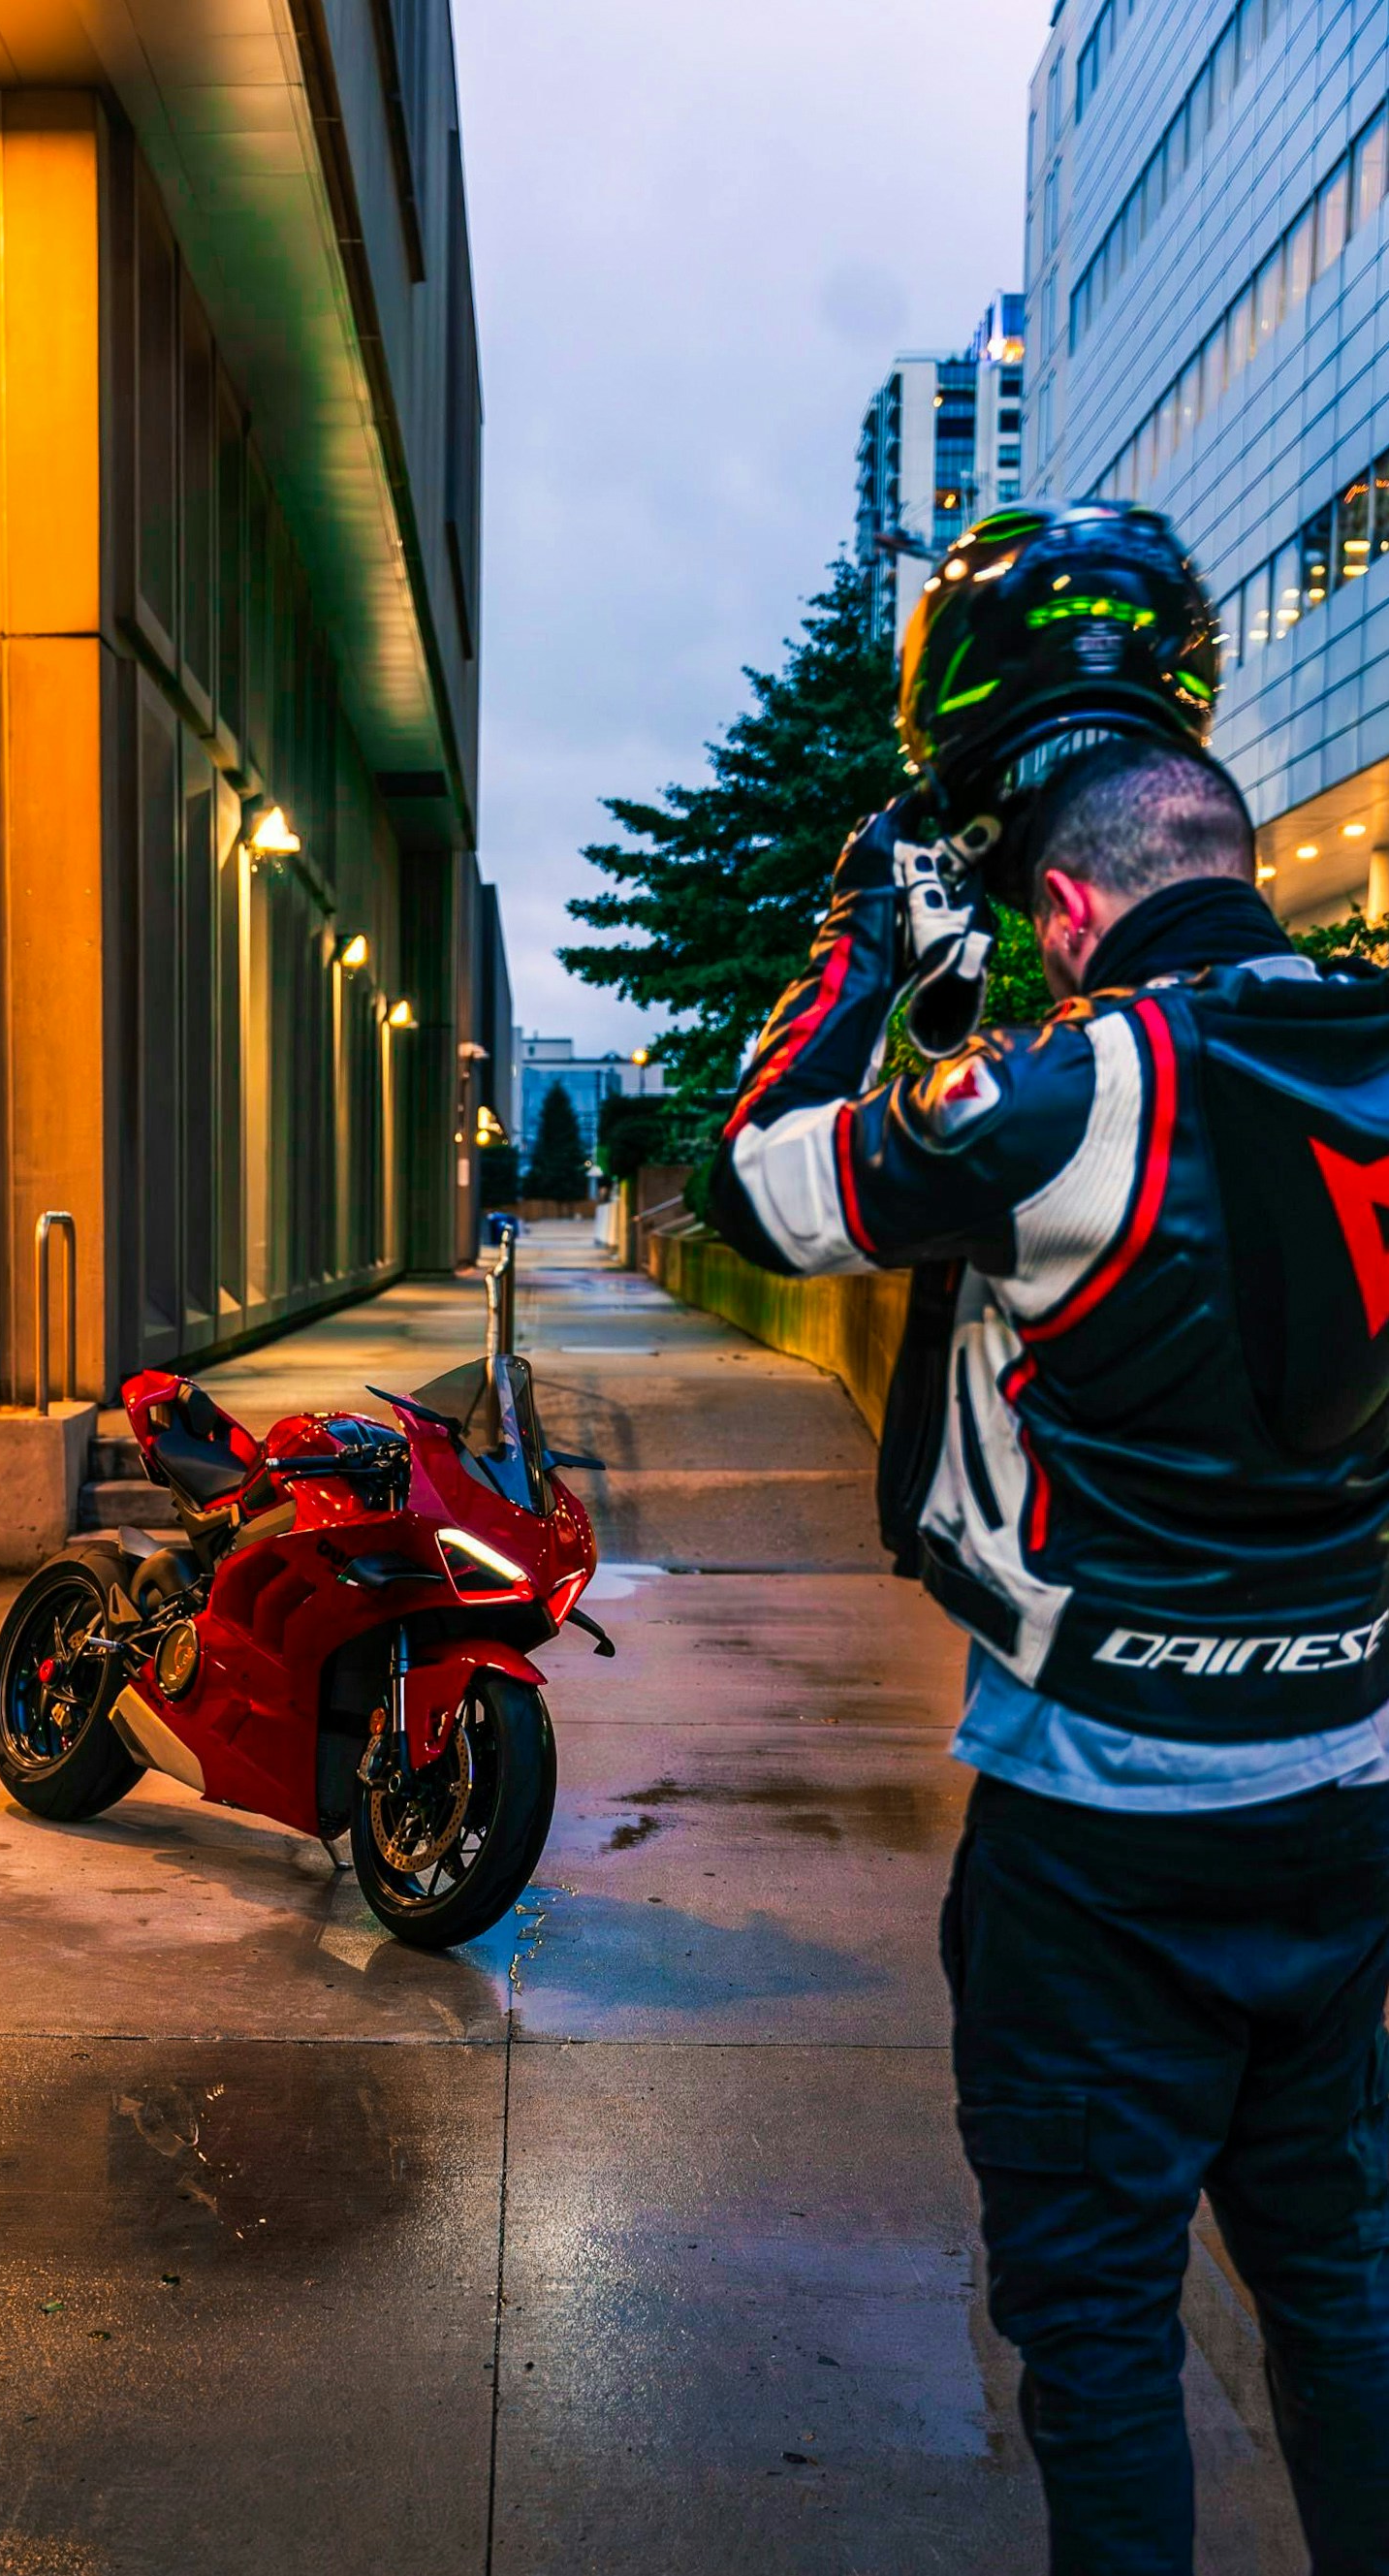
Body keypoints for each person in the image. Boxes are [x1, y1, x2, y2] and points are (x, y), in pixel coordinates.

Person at [709, 498, 1389, 2575]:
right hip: (1349, 1784)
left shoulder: (1058, 1101)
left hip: (1100, 1820)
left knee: (1093, 2317)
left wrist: (864, 950)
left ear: (1072, 903)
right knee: (1341, 2276)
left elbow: (763, 1183)